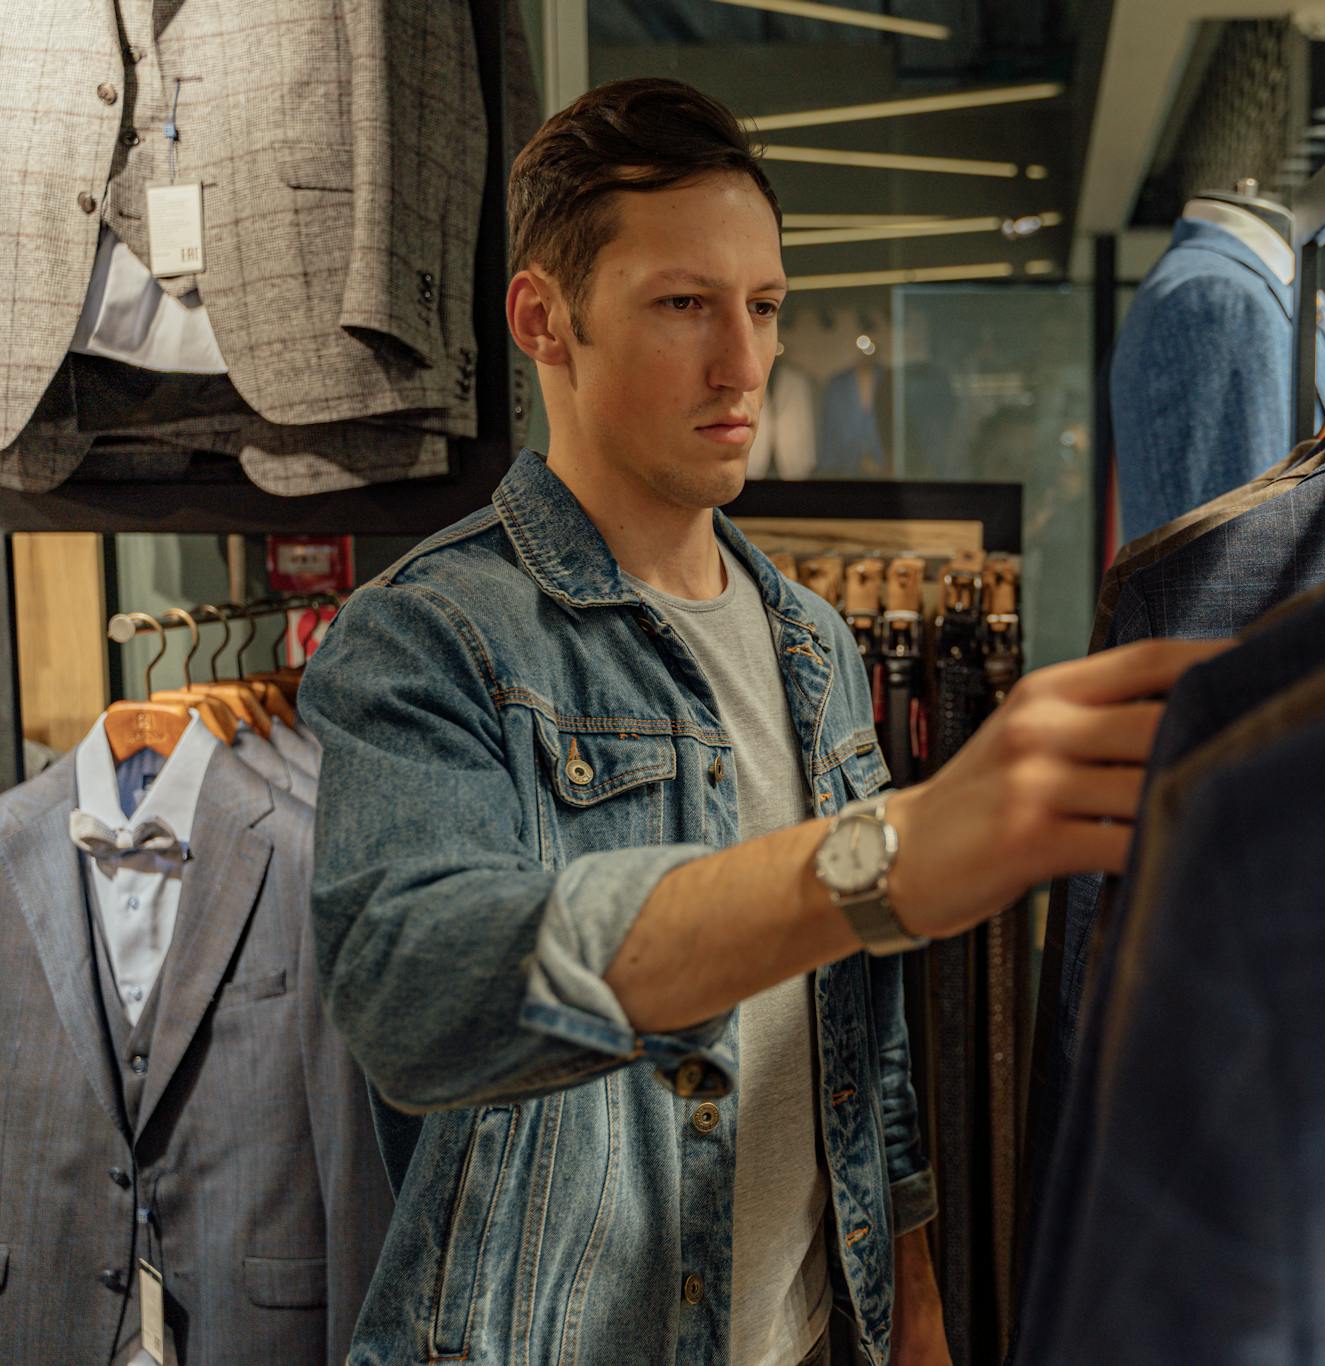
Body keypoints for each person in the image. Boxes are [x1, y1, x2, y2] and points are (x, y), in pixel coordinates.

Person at [298, 77, 1221, 1366]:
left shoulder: (815, 642)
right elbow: (414, 991)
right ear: (543, 321)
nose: (745, 363)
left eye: (766, 306)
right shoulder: (430, 637)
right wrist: (871, 863)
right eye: (685, 305)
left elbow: (863, 1036)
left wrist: (914, 1305)